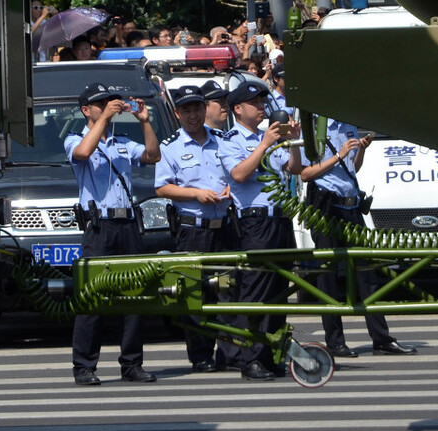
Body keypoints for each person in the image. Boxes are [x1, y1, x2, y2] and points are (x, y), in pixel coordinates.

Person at [65, 83, 161, 386]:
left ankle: (132, 363)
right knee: (92, 298)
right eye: (101, 104)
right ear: (86, 110)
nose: (109, 106)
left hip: (127, 225)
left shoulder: (121, 142)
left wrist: (145, 122)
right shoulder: (74, 138)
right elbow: (82, 153)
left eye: (111, 102)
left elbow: (152, 156)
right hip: (99, 227)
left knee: (133, 296)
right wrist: (104, 119)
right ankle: (84, 366)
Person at [300, 118, 417, 357]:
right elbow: (305, 173)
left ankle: (381, 338)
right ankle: (335, 342)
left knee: (367, 272)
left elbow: (352, 168)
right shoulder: (312, 129)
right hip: (326, 206)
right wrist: (339, 155)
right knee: (328, 277)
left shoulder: (348, 125)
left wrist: (360, 149)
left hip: (351, 205)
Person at [220, 81, 303, 380]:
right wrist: (265, 144)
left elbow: (293, 168)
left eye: (262, 102)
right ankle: (251, 358)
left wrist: (292, 141)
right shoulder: (231, 140)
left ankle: (272, 354)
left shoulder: (267, 136)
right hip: (255, 222)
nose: (261, 108)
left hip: (279, 218)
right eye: (255, 103)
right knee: (255, 292)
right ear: (238, 109)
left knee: (279, 291)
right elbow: (239, 174)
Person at [155, 85, 238, 372]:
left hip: (225, 227)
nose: (193, 115)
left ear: (206, 109)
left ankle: (230, 353)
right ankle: (201, 355)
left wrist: (231, 187)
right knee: (196, 294)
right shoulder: (171, 147)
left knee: (229, 291)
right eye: (186, 110)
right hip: (193, 230)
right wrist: (195, 194)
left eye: (197, 109)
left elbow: (237, 173)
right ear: (177, 114)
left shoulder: (223, 141)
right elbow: (162, 187)